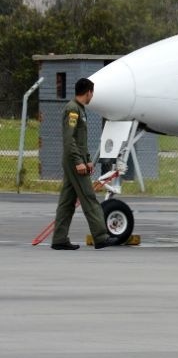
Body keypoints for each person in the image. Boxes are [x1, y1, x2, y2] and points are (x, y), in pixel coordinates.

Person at [51, 77, 118, 250]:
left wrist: (88, 159)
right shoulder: (73, 110)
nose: (92, 96)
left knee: (67, 202)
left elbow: (80, 140)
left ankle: (59, 239)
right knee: (89, 198)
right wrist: (79, 162)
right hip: (74, 161)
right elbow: (69, 139)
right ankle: (101, 236)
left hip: (76, 159)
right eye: (92, 93)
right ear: (88, 92)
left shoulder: (79, 109)